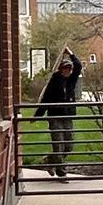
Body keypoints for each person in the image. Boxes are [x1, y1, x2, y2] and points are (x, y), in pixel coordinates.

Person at [38, 49, 83, 179]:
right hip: (55, 117)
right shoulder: (54, 81)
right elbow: (45, 98)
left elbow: (78, 65)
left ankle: (48, 161)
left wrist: (70, 53)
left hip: (67, 116)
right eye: (65, 69)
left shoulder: (71, 81)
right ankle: (61, 170)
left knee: (68, 145)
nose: (67, 71)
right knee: (59, 145)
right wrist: (38, 115)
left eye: (69, 69)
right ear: (60, 69)